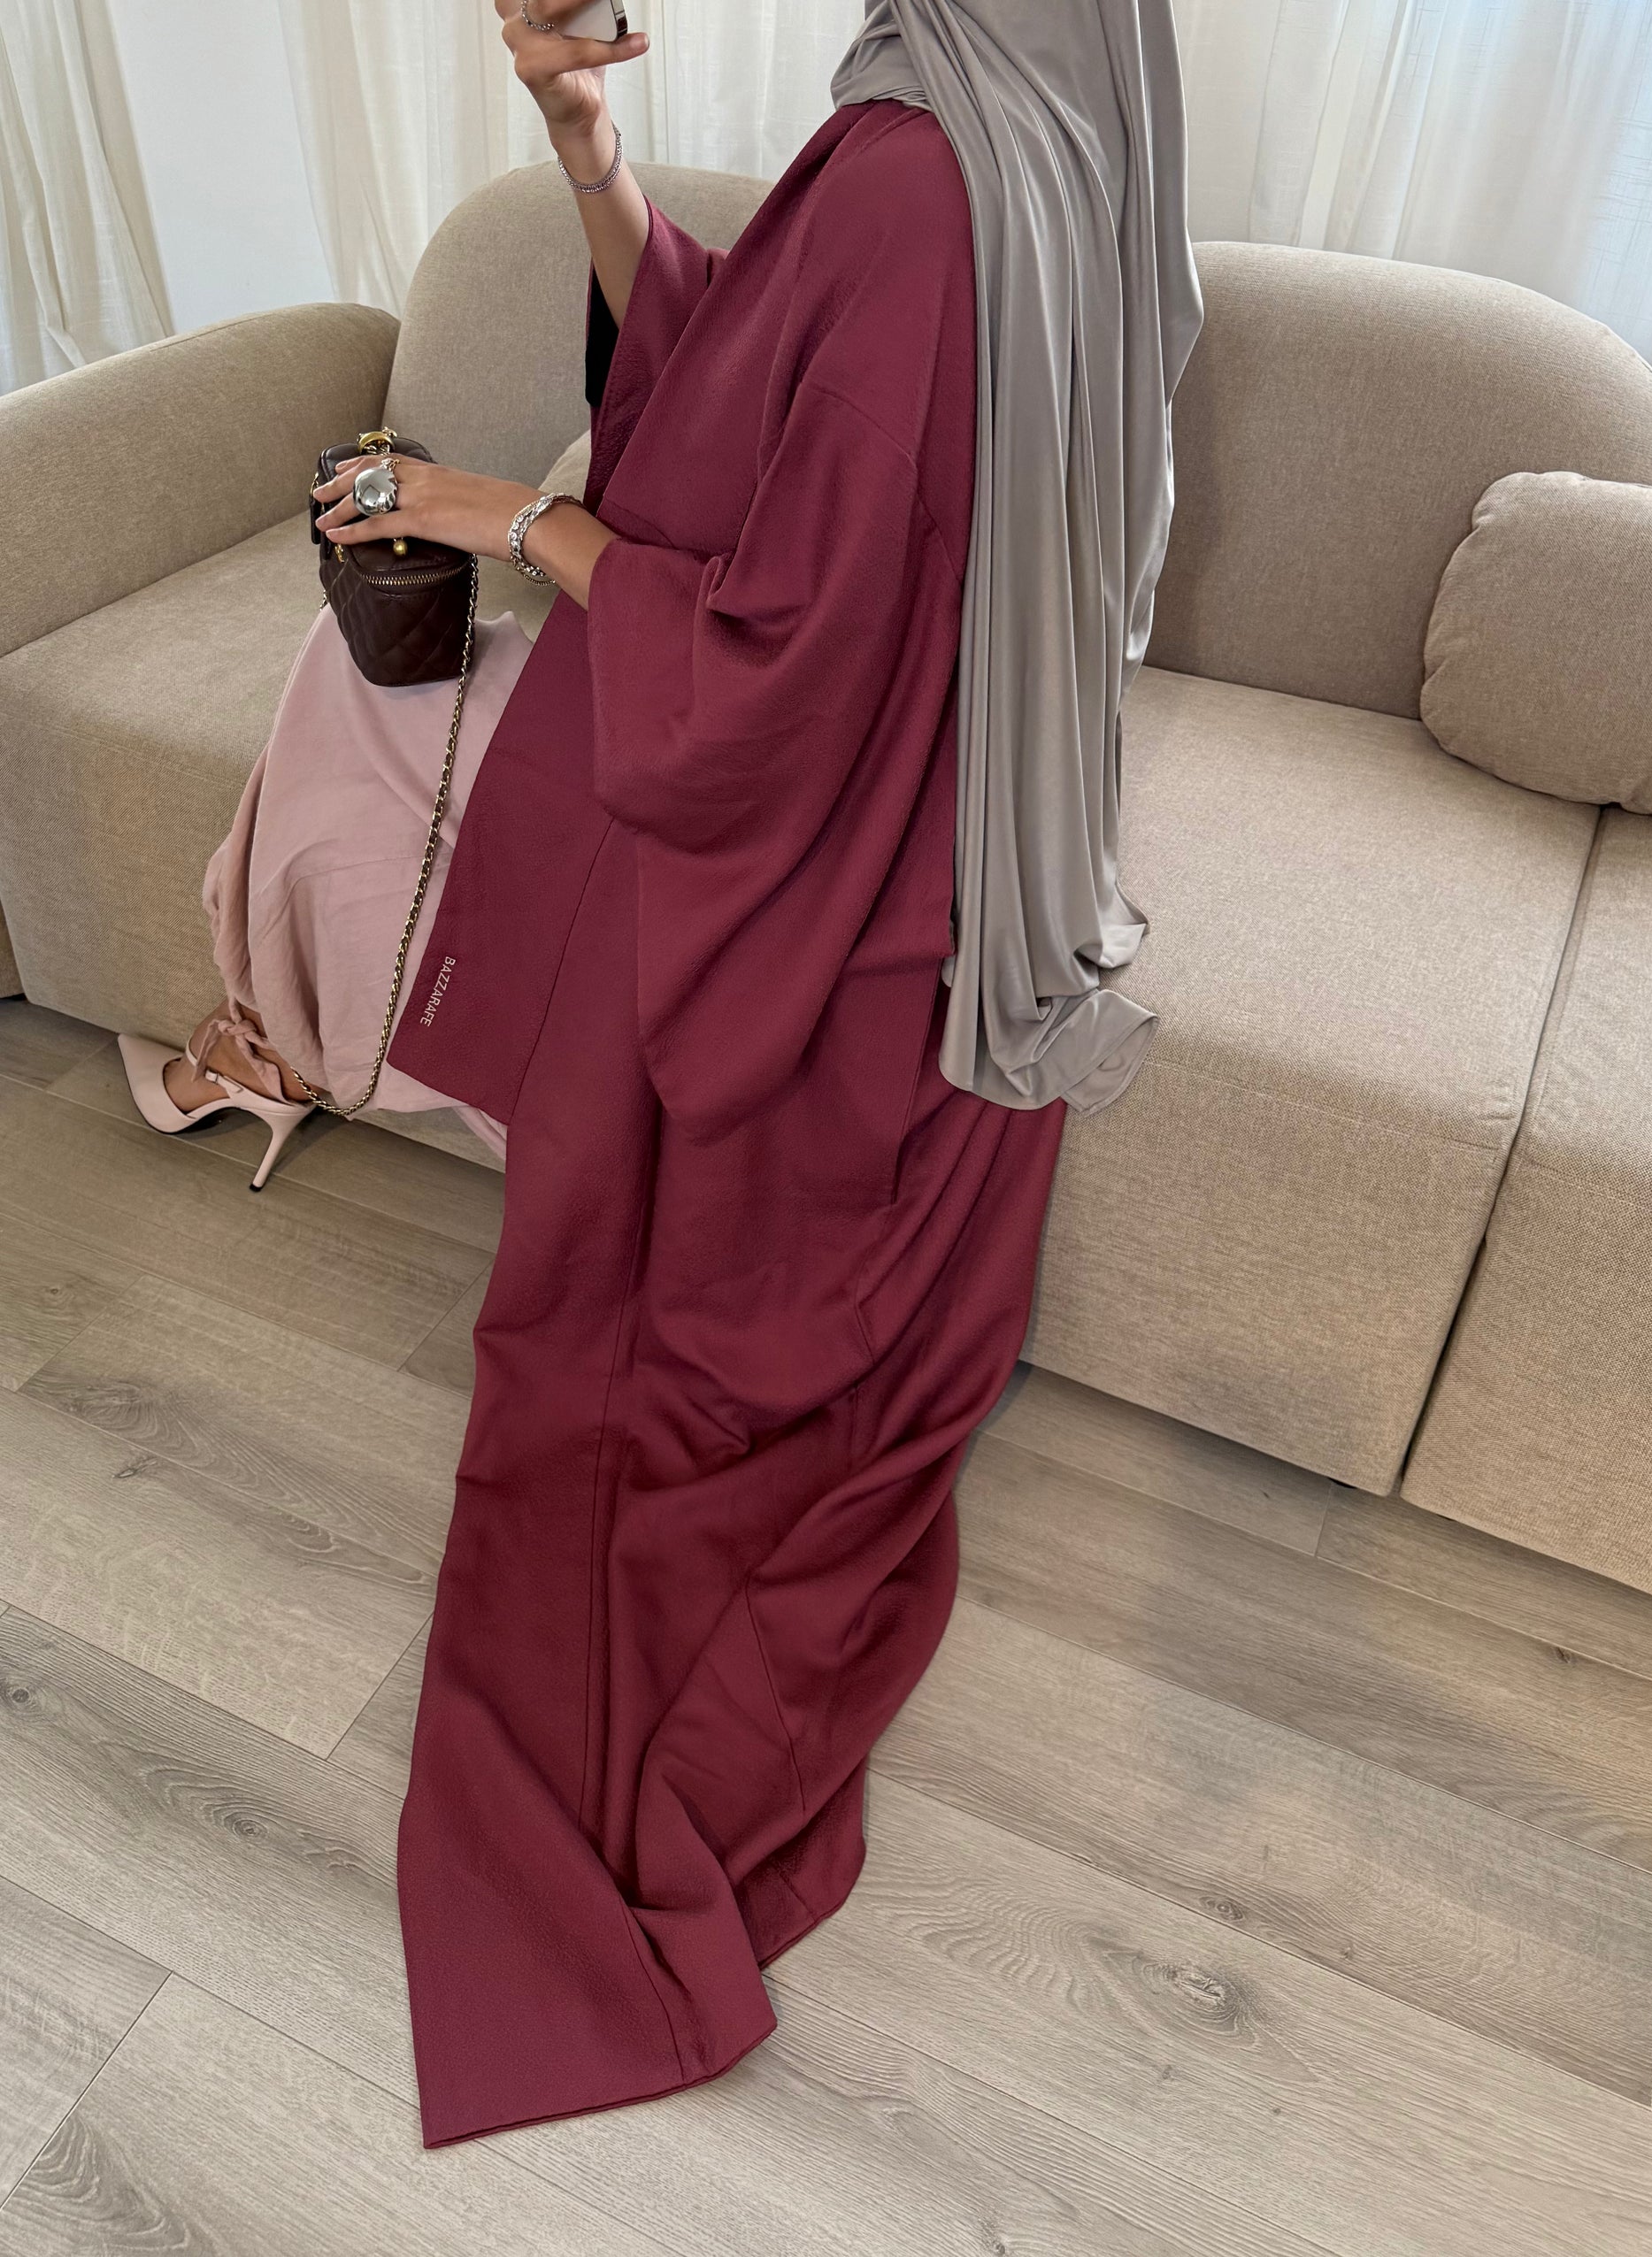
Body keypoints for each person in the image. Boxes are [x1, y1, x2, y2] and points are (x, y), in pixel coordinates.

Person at [119, 0, 1201, 2144]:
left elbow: (779, 651)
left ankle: (281, 1027)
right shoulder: (1047, 118)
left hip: (840, 847)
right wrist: (588, 146)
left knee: (367, 707)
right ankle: (286, 1024)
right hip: (943, 824)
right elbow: (750, 395)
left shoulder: (916, 172)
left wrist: (487, 510)